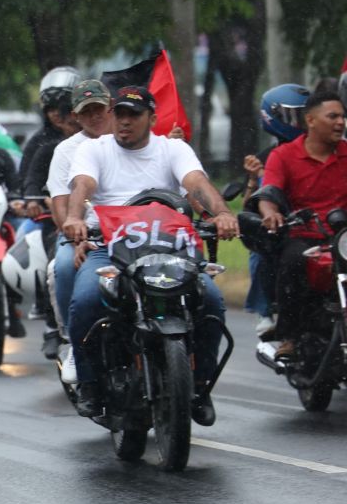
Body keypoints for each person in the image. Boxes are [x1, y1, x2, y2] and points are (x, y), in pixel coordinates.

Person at [62, 85, 238, 422]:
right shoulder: (94, 150)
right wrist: (73, 218)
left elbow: (197, 182)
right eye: (120, 114)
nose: (124, 122)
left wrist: (222, 213)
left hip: (170, 250)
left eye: (134, 115)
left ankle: (200, 385)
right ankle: (89, 383)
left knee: (212, 301)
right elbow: (82, 185)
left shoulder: (172, 149)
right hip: (110, 249)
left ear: (152, 118)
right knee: (85, 300)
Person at [255, 86, 347, 360]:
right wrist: (270, 212)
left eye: (342, 117)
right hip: (306, 235)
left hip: (343, 238)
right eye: (332, 117)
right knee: (292, 262)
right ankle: (291, 336)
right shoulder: (283, 156)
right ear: (311, 120)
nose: (340, 122)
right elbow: (268, 192)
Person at [45, 79, 114, 382]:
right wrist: (73, 232)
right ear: (75, 115)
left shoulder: (128, 140)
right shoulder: (66, 151)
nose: (95, 117)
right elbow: (61, 203)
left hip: (130, 230)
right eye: (87, 112)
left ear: (111, 107)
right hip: (85, 233)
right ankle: (74, 339)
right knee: (62, 267)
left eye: (100, 109)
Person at [245, 84, 309, 337]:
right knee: (265, 250)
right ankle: (273, 315)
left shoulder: (334, 149)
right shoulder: (273, 157)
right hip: (293, 226)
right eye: (296, 117)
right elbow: (260, 199)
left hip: (329, 224)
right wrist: (255, 180)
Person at [18, 67, 81, 218]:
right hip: (49, 215)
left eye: (62, 108)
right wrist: (33, 201)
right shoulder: (42, 145)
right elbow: (29, 179)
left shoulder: (100, 140)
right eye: (50, 109)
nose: (56, 114)